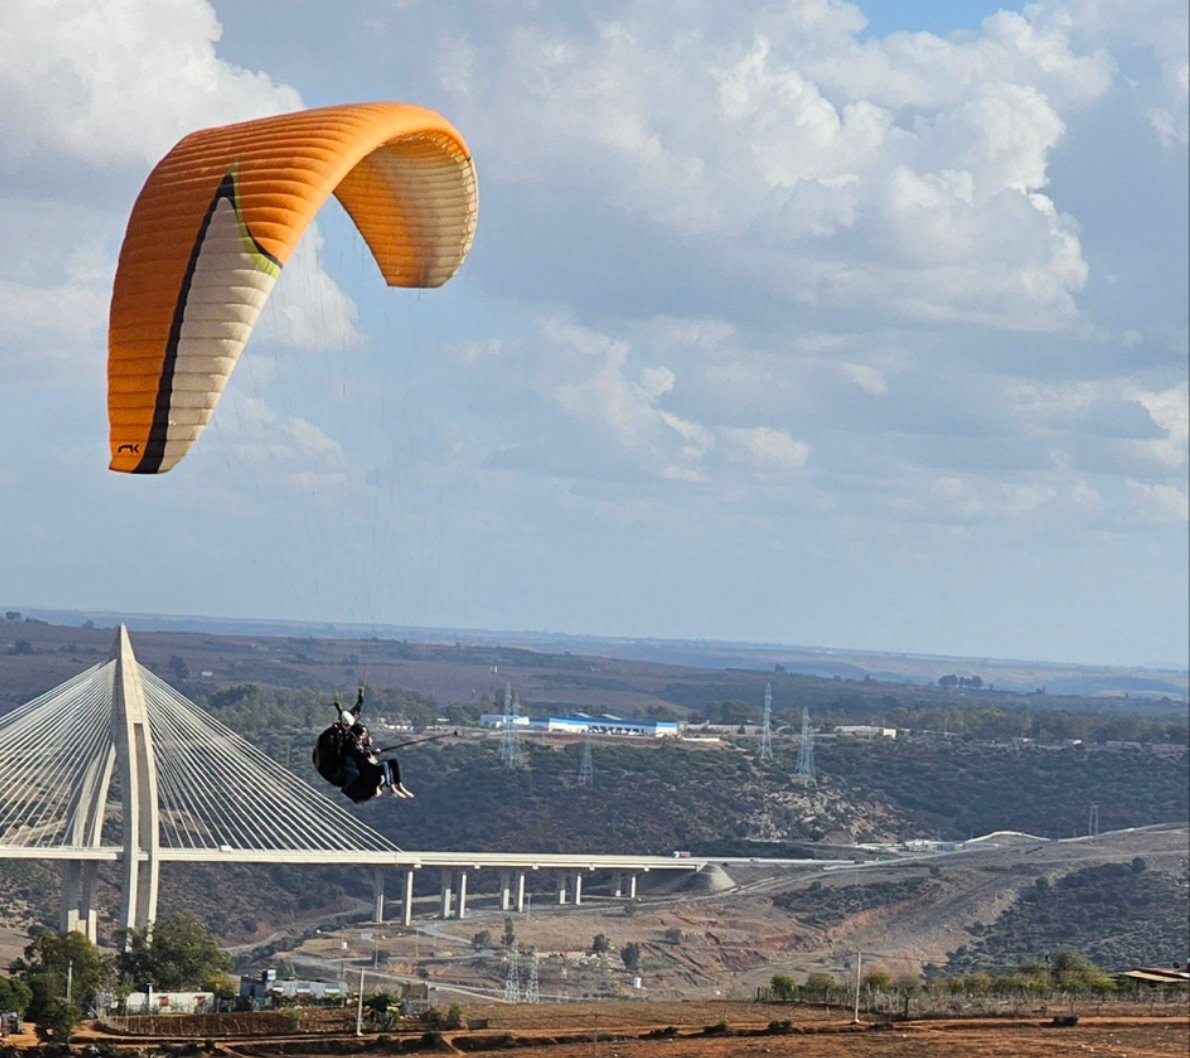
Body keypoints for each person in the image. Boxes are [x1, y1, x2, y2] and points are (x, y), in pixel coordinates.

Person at [316, 687, 414, 802]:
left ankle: (398, 784)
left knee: (392, 762)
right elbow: (357, 754)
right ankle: (391, 787)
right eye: (362, 735)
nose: (363, 737)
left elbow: (355, 710)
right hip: (351, 763)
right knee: (381, 767)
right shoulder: (347, 739)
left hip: (358, 759)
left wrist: (360, 697)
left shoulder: (351, 732)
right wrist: (370, 753)